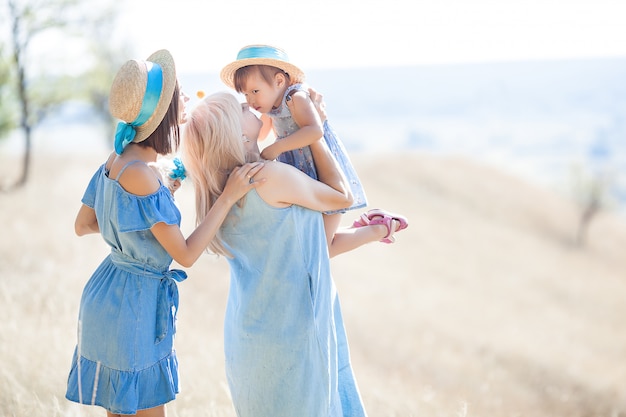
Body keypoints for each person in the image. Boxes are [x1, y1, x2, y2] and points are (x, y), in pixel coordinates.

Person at [180, 91, 406, 417]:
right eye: (242, 107)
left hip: (250, 338)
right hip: (292, 336)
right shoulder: (268, 177)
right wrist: (317, 129)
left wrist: (372, 233)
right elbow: (342, 196)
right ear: (239, 134)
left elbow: (310, 251)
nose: (250, 103)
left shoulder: (220, 192)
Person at [65, 50, 264, 417]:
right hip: (134, 305)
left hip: (107, 292)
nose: (187, 99)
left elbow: (84, 225)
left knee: (120, 410)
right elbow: (186, 255)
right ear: (162, 113)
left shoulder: (116, 160)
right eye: (180, 94)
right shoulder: (143, 175)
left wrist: (147, 217)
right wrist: (228, 197)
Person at [220, 44, 408, 256]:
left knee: (322, 248)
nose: (251, 100)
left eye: (255, 91)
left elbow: (314, 131)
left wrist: (277, 147)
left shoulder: (295, 97)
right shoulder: (270, 103)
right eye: (245, 95)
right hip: (299, 170)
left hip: (320, 167)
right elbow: (261, 134)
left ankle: (378, 229)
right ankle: (369, 226)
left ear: (279, 81)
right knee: (315, 238)